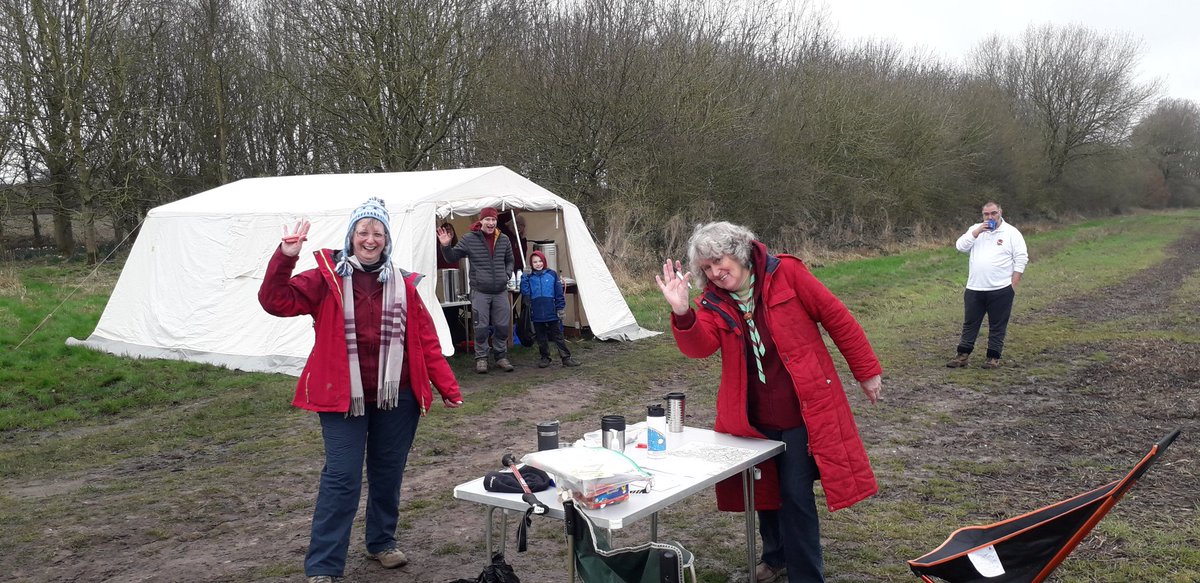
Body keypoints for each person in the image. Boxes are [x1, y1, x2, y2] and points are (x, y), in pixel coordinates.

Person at [655, 221, 882, 583]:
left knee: (795, 493)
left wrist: (866, 370)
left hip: (800, 410)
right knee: (765, 492)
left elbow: (836, 317)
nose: (716, 272)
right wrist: (683, 313)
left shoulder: (787, 273)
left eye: (719, 261)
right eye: (707, 269)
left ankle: (806, 575)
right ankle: (775, 558)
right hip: (751, 417)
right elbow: (700, 347)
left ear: (739, 251)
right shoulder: (713, 302)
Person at [258, 198, 464, 583]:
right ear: (351, 236)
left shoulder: (403, 283)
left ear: (386, 240)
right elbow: (274, 301)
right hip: (341, 396)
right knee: (342, 477)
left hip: (396, 396)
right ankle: (323, 565)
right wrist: (285, 258)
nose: (370, 240)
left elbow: (424, 340)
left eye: (378, 233)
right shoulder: (325, 278)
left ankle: (381, 542)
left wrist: (447, 386)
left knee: (388, 472)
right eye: (363, 232)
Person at [946, 201, 1029, 369]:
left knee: (997, 325)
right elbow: (960, 246)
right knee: (970, 323)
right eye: (986, 214)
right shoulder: (975, 230)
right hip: (975, 288)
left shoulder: (1011, 233)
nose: (990, 217)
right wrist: (976, 232)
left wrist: (1013, 284)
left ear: (1000, 212)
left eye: (993, 213)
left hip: (1001, 289)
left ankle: (993, 357)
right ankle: (962, 355)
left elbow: (1021, 258)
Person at [438, 207, 516, 374]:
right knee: (480, 327)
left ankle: (501, 356)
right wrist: (446, 246)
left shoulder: (503, 239)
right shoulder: (469, 239)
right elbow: (452, 257)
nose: (491, 223)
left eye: (493, 220)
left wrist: (507, 273)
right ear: (481, 221)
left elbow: (510, 260)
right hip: (480, 291)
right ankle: (481, 358)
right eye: (487, 219)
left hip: (500, 290)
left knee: (502, 326)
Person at [520, 250, 580, 368]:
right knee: (541, 337)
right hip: (537, 312)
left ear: (544, 261)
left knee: (558, 335)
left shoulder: (552, 274)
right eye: (535, 262)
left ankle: (566, 358)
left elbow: (558, 293)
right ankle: (545, 357)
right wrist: (524, 276)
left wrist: (560, 308)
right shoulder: (530, 276)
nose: (538, 264)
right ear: (531, 264)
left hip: (551, 311)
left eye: (540, 261)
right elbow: (525, 292)